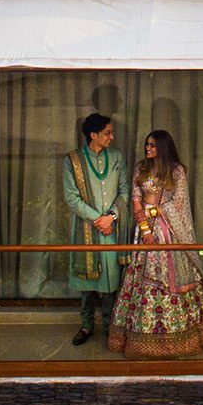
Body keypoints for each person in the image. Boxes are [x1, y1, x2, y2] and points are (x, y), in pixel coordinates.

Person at [109, 129, 203, 358]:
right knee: (139, 275)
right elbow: (136, 199)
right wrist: (145, 227)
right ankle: (139, 334)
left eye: (152, 145)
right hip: (145, 230)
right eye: (147, 145)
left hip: (169, 230)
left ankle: (181, 335)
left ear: (163, 147)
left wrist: (158, 213)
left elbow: (179, 203)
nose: (148, 149)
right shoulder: (141, 168)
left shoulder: (176, 171)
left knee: (172, 277)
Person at [62, 111, 125, 346]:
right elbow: (71, 198)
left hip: (112, 229)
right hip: (87, 228)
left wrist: (112, 217)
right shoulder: (72, 160)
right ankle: (87, 325)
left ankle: (110, 325)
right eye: (108, 133)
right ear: (93, 134)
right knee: (87, 282)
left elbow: (125, 191)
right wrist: (98, 220)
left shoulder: (117, 156)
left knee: (110, 279)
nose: (112, 136)